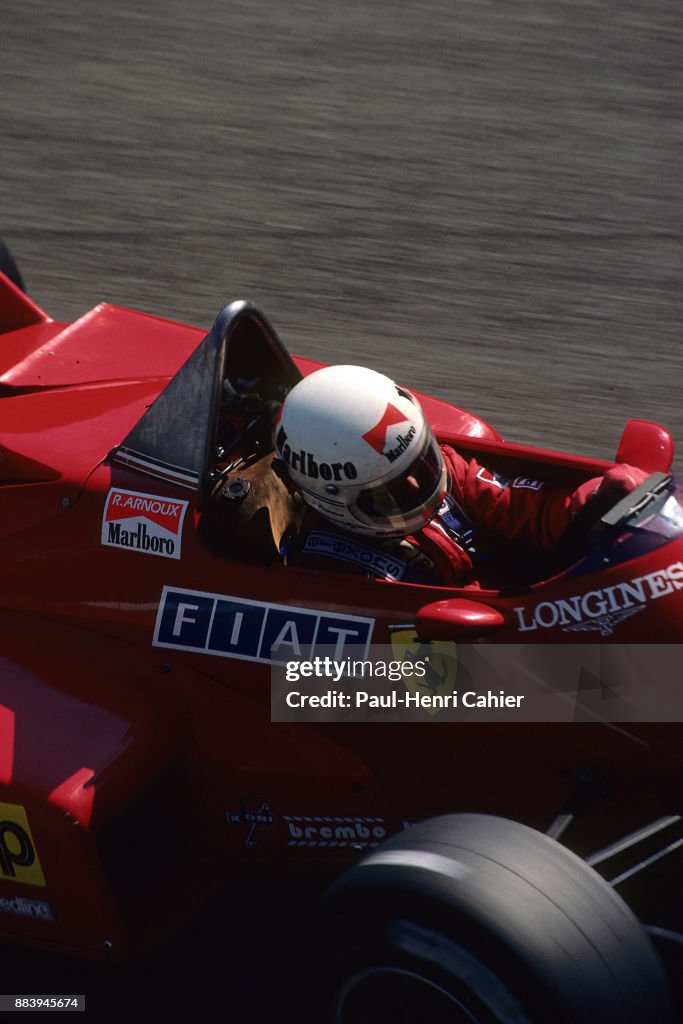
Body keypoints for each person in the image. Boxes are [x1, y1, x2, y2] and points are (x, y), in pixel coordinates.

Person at [271, 365, 647, 586]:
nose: (421, 483)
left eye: (421, 464)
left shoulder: (443, 466)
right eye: (393, 489)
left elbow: (513, 505)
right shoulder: (339, 572)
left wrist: (585, 506)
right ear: (333, 499)